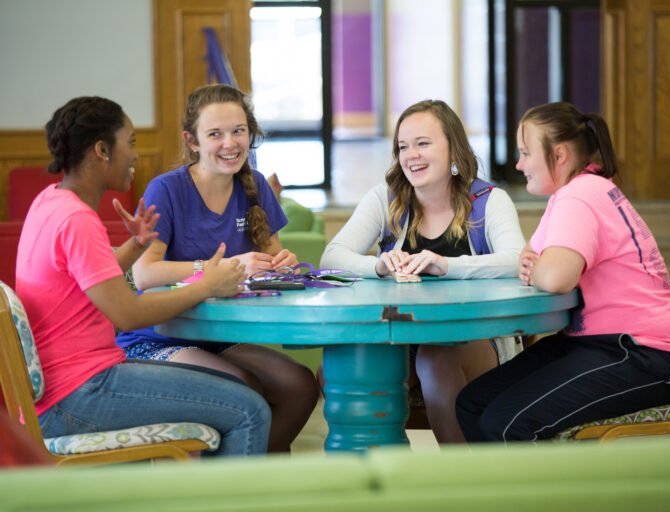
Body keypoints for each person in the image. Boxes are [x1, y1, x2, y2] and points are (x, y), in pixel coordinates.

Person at [16, 96, 271, 456]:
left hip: (65, 386)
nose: (136, 154)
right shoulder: (76, 220)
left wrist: (135, 246)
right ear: (102, 150)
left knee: (242, 399)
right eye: (131, 142)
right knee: (249, 410)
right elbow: (128, 315)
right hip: (79, 392)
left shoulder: (50, 201)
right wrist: (207, 284)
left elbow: (90, 278)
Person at [456, 101, 670, 443]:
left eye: (526, 153)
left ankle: (541, 497)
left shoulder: (581, 195)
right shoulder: (572, 194)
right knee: (473, 403)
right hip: (599, 345)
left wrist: (541, 266)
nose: (518, 164)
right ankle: (500, 494)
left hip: (646, 355)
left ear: (559, 155)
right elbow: (530, 257)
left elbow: (554, 276)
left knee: (505, 423)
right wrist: (539, 264)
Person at [115, 84, 318, 453]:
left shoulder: (255, 185)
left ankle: (252, 482)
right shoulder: (166, 189)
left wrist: (282, 264)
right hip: (157, 337)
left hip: (218, 336)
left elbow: (272, 262)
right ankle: (224, 489)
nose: (230, 143)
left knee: (300, 385)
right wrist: (223, 267)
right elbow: (145, 275)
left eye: (239, 131)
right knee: (243, 387)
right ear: (191, 141)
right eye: (215, 134)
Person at [320, 99, 526, 443]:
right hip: (402, 335)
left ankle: (457, 483)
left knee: (435, 358)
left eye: (423, 143)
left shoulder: (491, 199)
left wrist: (445, 265)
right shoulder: (386, 198)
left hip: (475, 334)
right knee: (337, 373)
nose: (411, 155)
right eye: (403, 146)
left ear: (453, 148)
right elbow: (332, 256)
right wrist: (380, 265)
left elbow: (517, 258)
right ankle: (389, 475)